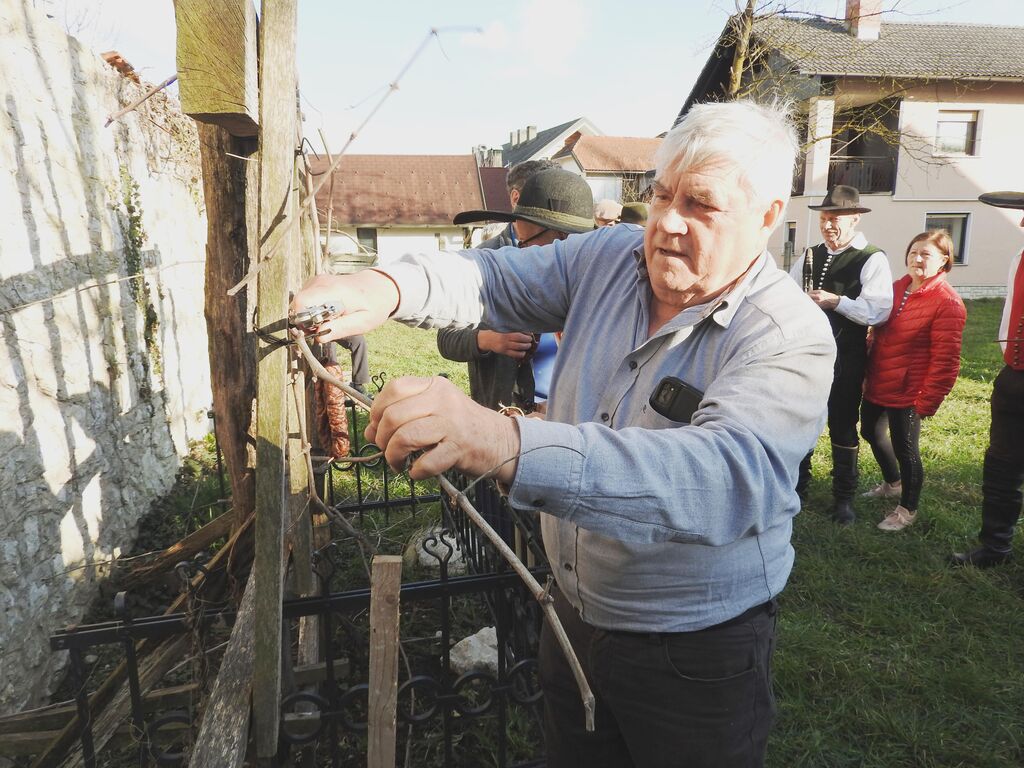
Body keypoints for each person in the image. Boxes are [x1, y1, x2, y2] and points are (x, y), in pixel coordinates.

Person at [291, 99, 835, 767]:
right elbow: (494, 276)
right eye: (661, 194)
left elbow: (721, 479)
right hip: (572, 610)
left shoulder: (787, 334)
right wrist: (384, 286)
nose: (667, 221)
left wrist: (505, 441)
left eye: (701, 204)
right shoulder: (609, 257)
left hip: (694, 647)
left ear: (769, 216)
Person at [438, 168, 595, 410]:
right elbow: (446, 338)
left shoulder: (597, 278)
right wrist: (488, 339)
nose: (524, 252)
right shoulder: (485, 260)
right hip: (506, 413)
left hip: (570, 418)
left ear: (563, 238)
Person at [789, 185, 893, 524]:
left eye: (835, 219)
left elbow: (879, 311)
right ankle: (797, 488)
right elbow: (787, 294)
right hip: (806, 354)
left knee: (843, 422)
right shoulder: (810, 253)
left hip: (846, 354)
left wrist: (837, 301)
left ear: (854, 220)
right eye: (824, 218)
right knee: (800, 419)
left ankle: (843, 498)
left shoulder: (872, 258)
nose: (828, 225)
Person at [859, 230, 966, 531]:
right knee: (869, 431)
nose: (917, 259)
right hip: (879, 379)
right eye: (913, 252)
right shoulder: (896, 288)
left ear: (944, 260)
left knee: (906, 450)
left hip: (910, 389)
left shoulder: (947, 302)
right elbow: (877, 330)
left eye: (926, 254)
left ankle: (907, 509)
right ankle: (893, 483)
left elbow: (946, 360)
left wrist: (927, 401)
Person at [952, 190, 1024, 567]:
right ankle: (995, 548)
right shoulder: (1019, 258)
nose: (1022, 222)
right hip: (1014, 379)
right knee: (1000, 466)